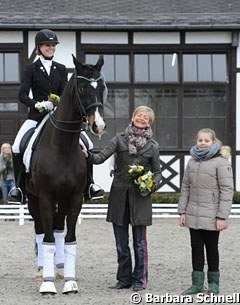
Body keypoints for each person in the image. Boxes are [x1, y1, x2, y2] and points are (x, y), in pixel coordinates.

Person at [8, 28, 103, 203]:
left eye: (53, 45)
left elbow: (66, 93)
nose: (50, 48)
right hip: (36, 116)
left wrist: (58, 102)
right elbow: (22, 95)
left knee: (87, 144)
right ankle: (19, 187)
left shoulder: (60, 69)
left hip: (59, 116)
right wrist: (37, 104)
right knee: (17, 146)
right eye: (47, 45)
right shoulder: (31, 68)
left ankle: (90, 184)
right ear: (39, 47)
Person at [87, 105, 161, 291]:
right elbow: (100, 158)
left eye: (146, 117)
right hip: (119, 195)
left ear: (150, 123)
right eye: (139, 115)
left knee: (139, 243)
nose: (142, 118)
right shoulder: (119, 139)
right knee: (121, 243)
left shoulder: (153, 146)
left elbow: (157, 172)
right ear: (132, 117)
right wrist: (85, 152)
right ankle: (124, 279)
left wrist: (151, 184)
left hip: (141, 198)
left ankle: (140, 280)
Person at [178, 128, 234, 295]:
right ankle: (196, 284)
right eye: (200, 140)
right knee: (195, 248)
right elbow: (185, 188)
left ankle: (213, 283)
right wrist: (182, 212)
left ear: (213, 142)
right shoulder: (192, 162)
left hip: (212, 215)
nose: (202, 143)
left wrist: (222, 216)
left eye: (206, 141)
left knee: (211, 248)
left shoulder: (222, 162)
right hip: (193, 213)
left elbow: (227, 190)